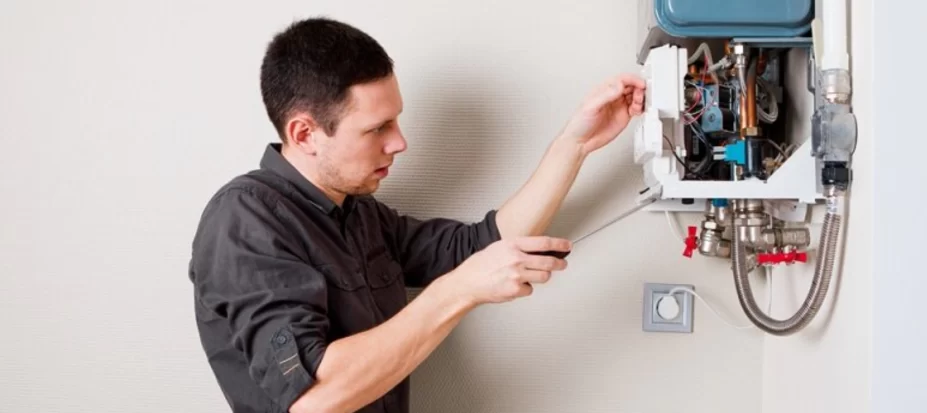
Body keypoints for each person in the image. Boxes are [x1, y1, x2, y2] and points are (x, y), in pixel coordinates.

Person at [188, 16, 646, 413]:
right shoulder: (245, 219)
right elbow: (313, 396)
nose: (399, 142)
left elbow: (480, 247)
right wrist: (460, 290)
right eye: (377, 128)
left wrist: (575, 144)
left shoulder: (361, 214)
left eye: (396, 120)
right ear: (305, 133)